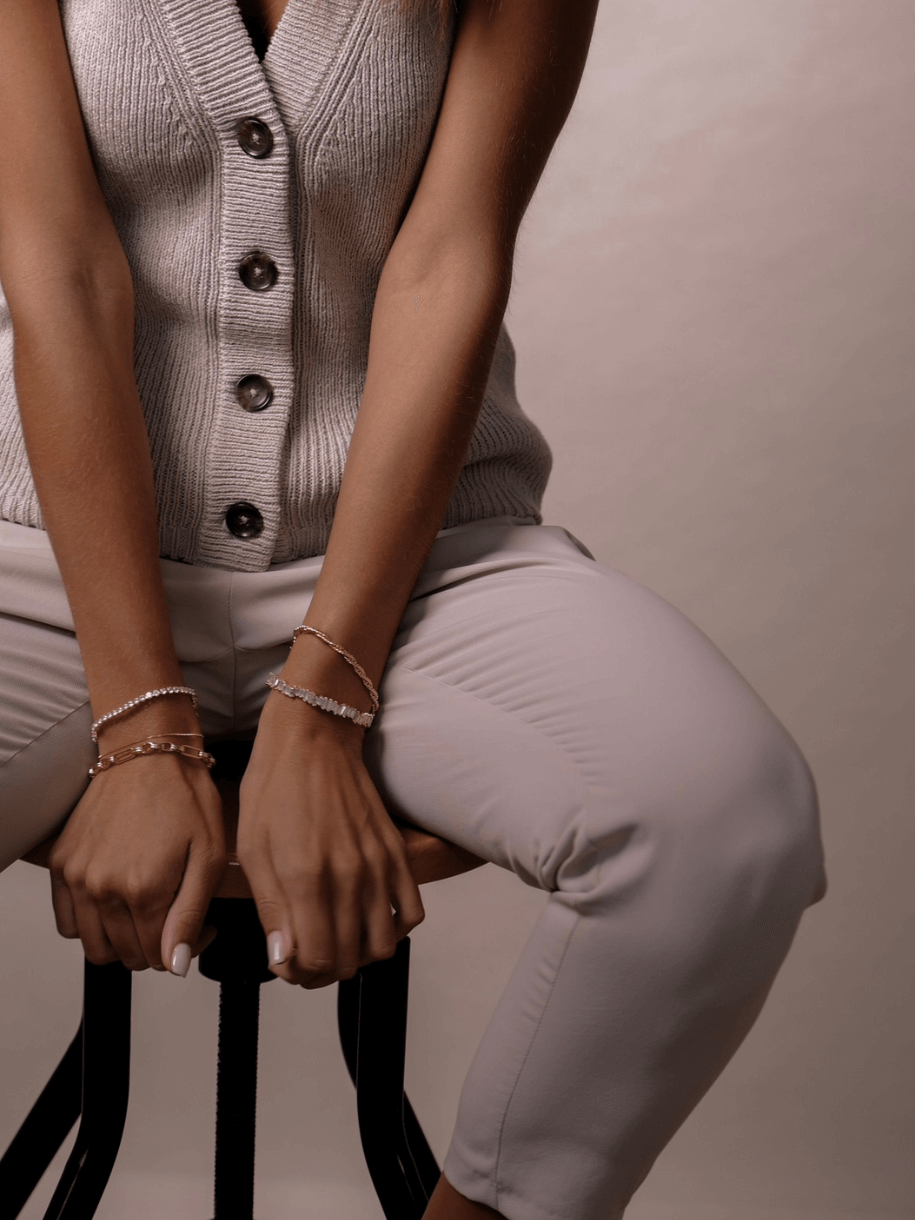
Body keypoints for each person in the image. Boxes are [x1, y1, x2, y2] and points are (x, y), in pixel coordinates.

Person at [0, 0, 828, 1217]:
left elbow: (451, 260)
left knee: (725, 824)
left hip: (422, 561)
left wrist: (325, 696)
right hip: (51, 555)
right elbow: (56, 266)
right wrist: (141, 722)